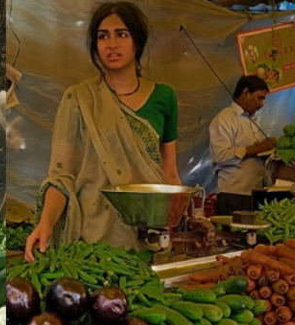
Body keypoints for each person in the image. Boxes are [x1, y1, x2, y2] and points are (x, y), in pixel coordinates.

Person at [25, 1, 181, 261]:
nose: (111, 44)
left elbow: (169, 172)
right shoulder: (78, 99)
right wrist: (46, 223)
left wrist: (175, 216)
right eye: (102, 36)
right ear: (95, 46)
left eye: (122, 34)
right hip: (92, 235)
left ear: (137, 41)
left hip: (146, 234)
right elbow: (62, 176)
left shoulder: (164, 97)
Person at [209, 75, 274, 215]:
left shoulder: (252, 120)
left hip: (256, 193)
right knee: (233, 236)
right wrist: (257, 148)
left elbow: (258, 152)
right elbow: (220, 156)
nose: (261, 104)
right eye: (259, 98)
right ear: (245, 92)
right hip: (233, 195)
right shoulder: (224, 118)